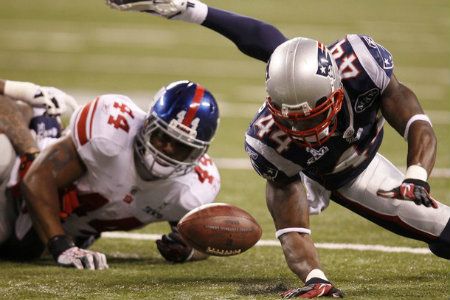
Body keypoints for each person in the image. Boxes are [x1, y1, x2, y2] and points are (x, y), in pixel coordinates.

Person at [107, 1, 450, 298]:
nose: (303, 128)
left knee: (444, 232)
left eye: (312, 116)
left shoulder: (359, 64)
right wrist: (316, 278)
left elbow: (415, 121)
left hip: (357, 158)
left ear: (334, 90)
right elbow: (292, 230)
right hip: (331, 172)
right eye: (292, 120)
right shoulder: (270, 142)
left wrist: (416, 175)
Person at [1, 79, 221, 270]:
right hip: (18, 175)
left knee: (17, 245)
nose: (168, 150)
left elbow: (199, 242)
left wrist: (188, 251)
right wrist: (61, 246)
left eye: (182, 146)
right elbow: (38, 179)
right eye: (162, 137)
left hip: (46, 230)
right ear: (147, 124)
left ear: (198, 152)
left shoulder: (193, 188)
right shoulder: (110, 132)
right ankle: (31, 110)